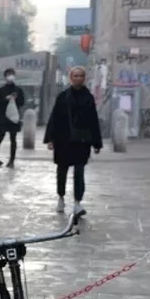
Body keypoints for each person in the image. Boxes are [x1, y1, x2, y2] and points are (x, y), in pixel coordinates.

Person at [45, 67, 103, 215]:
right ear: (71, 78)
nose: (78, 78)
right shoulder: (63, 96)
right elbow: (54, 118)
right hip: (63, 140)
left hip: (81, 141)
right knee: (62, 171)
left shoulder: (88, 98)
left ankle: (78, 202)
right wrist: (50, 138)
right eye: (75, 76)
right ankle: (61, 197)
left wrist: (96, 143)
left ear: (84, 78)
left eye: (81, 76)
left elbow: (93, 121)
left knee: (79, 171)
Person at [0, 68, 24, 167]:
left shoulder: (18, 90)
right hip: (3, 117)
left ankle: (12, 160)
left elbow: (22, 102)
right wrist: (5, 99)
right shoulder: (1, 90)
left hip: (14, 117)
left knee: (13, 138)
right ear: (5, 77)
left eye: (12, 74)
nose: (11, 76)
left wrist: (15, 99)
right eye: (9, 74)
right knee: (0, 136)